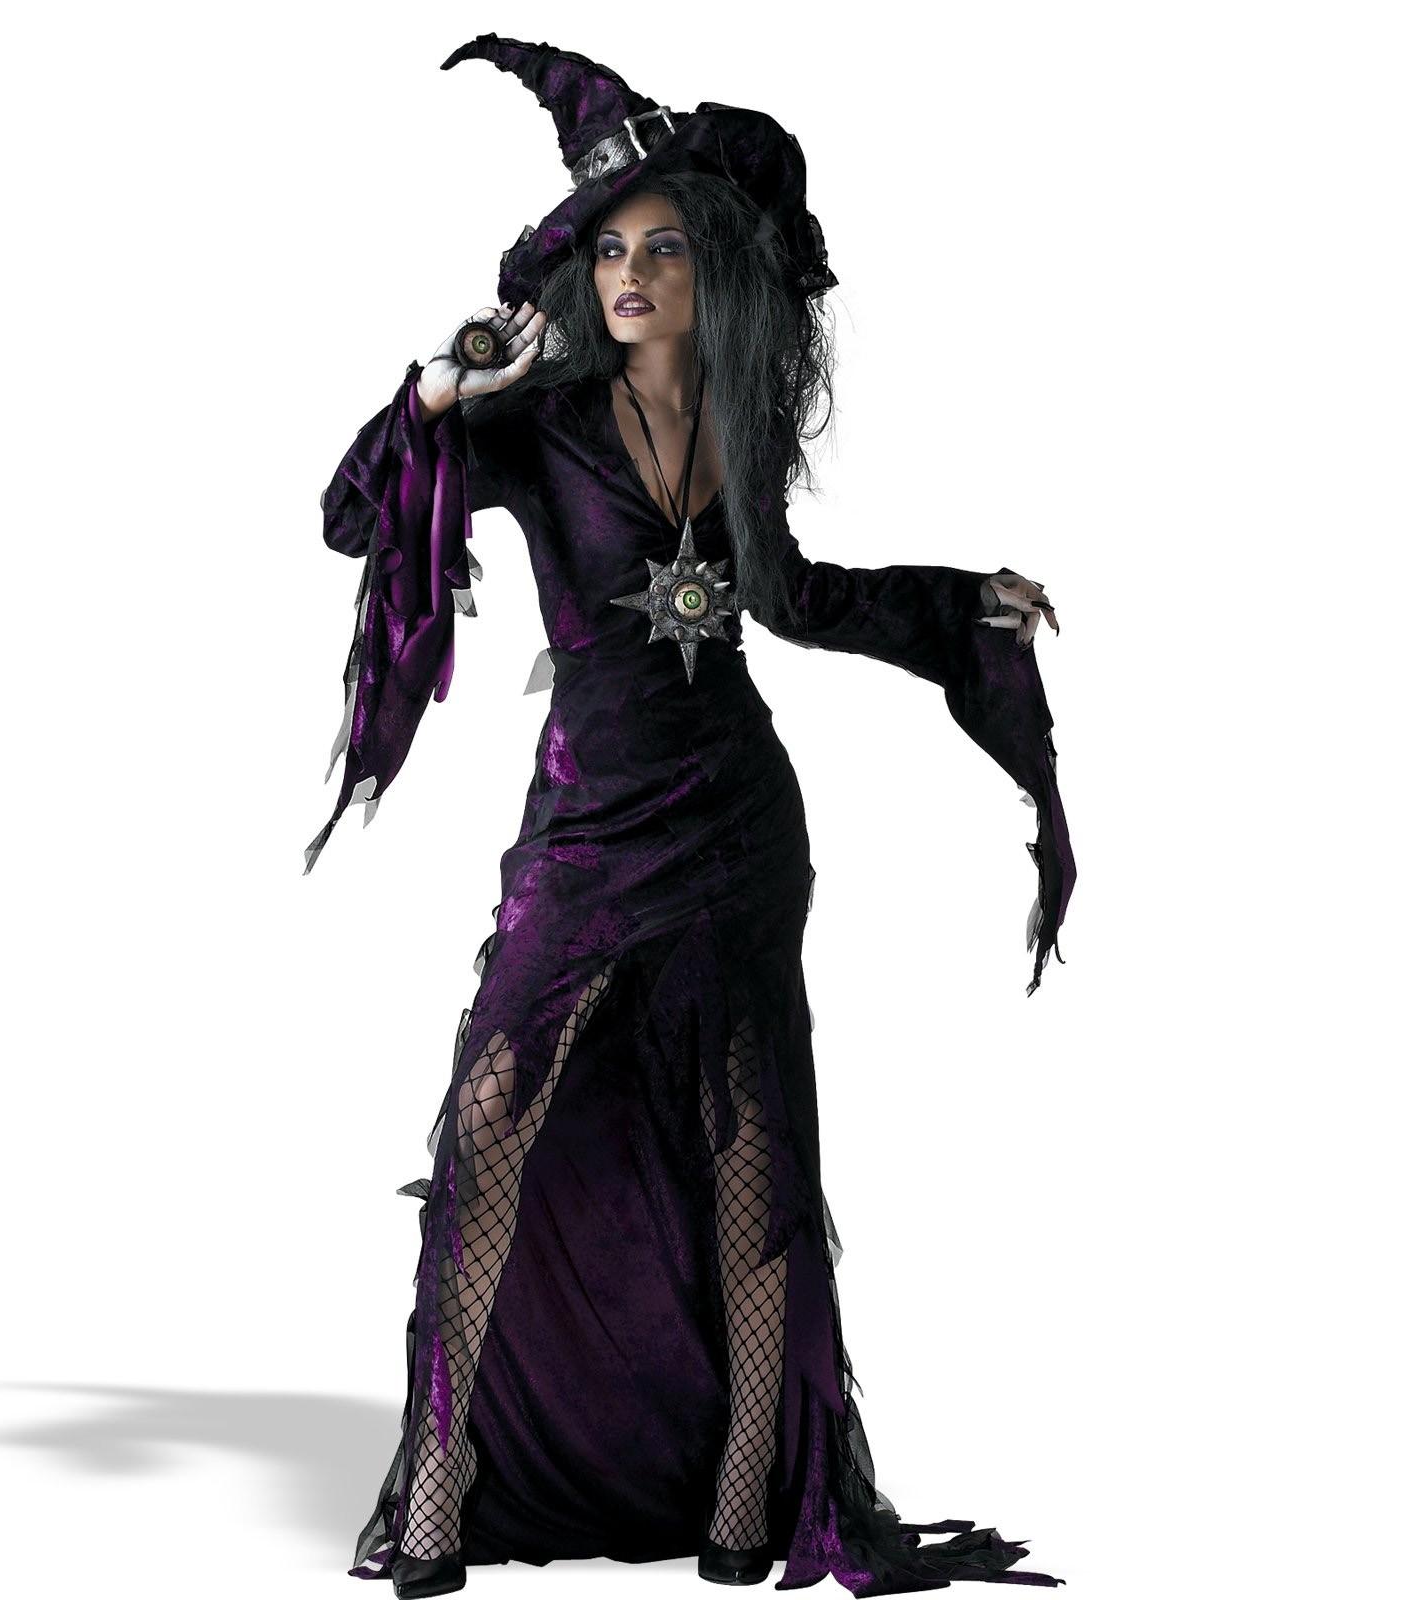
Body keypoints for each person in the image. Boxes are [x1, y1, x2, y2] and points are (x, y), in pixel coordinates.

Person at [307, 34, 1075, 1599]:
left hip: (738, 821)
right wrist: (448, 386)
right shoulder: (538, 427)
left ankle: (745, 1498)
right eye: (610, 251)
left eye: (662, 248)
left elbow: (796, 601)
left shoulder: (738, 424)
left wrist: (964, 603)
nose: (632, 275)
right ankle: (440, 1475)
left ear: (713, 266)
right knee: (493, 1113)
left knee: (751, 1136)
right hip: (587, 827)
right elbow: (347, 517)